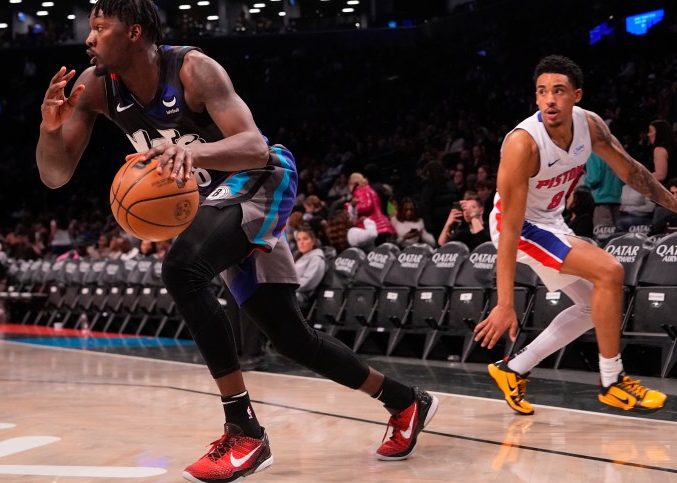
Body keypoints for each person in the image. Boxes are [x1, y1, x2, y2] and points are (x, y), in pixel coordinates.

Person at [35, 2, 438, 481]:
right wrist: (49, 128)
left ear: (135, 31)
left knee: (181, 269)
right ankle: (405, 400)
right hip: (215, 201)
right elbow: (54, 175)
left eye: (100, 26)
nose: (89, 36)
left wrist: (190, 151)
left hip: (262, 179)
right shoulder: (96, 87)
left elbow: (255, 147)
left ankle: (244, 430)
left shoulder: (193, 69)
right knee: (290, 338)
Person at [475, 55, 673, 415]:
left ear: (576, 96)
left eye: (559, 91)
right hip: (517, 225)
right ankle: (611, 380)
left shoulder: (590, 126)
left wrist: (673, 203)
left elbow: (631, 171)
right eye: (542, 92)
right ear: (535, 99)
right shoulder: (523, 144)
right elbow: (510, 230)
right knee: (610, 271)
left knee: (590, 305)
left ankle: (511, 369)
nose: (550, 99)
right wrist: (505, 302)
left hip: (550, 221)